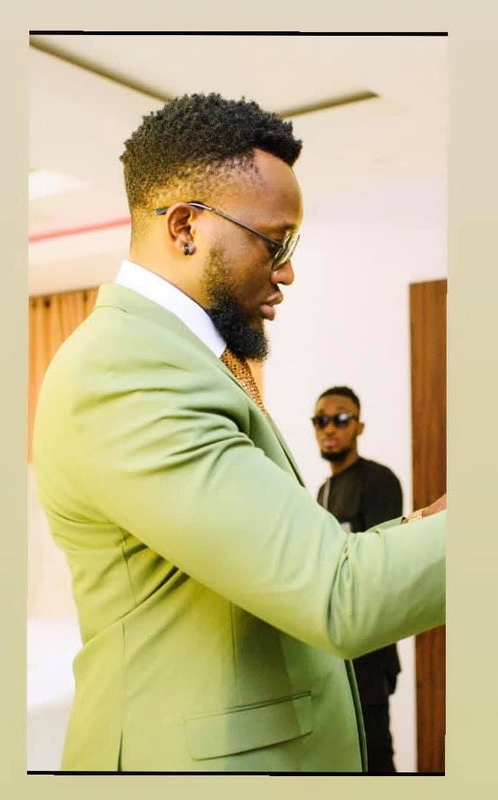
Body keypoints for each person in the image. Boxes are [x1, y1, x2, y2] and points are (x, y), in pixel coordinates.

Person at [33, 92, 446, 773]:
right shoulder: (127, 369)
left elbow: (281, 553)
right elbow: (335, 595)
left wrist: (425, 528)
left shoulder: (180, 360)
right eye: (275, 242)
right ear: (186, 227)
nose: (287, 271)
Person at [312, 385, 404, 773]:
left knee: (374, 760)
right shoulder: (323, 492)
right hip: (334, 653)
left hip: (370, 649)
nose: (330, 428)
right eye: (321, 420)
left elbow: (382, 563)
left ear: (359, 426)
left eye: (341, 418)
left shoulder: (378, 480)